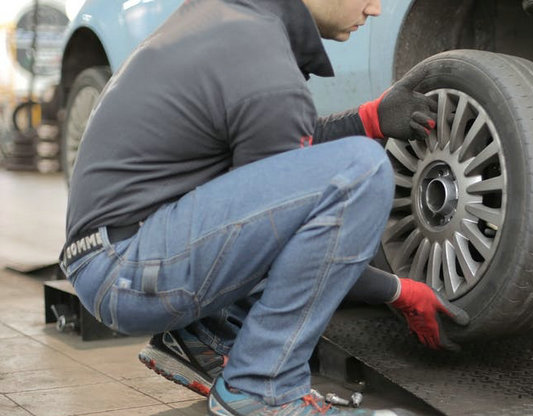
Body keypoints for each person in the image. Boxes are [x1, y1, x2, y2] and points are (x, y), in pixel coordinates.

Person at [59, 0, 467, 414]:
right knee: (361, 171)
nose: (375, 8)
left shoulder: (236, 23)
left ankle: (203, 334)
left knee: (333, 170)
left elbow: (274, 166)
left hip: (111, 256)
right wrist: (398, 291)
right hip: (129, 270)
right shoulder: (264, 62)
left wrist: (368, 119)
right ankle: (263, 388)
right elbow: (284, 228)